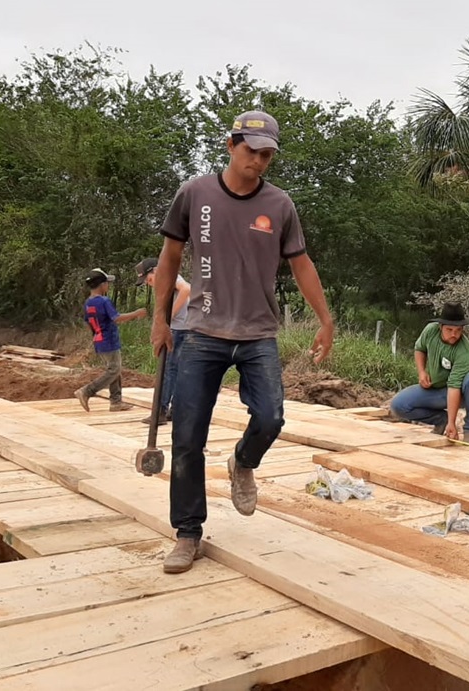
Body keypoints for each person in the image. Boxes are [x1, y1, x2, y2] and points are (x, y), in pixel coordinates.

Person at [151, 110, 334, 574]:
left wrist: (325, 320)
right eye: (251, 150)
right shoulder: (195, 194)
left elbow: (302, 264)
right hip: (201, 333)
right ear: (231, 146)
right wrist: (160, 319)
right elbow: (170, 257)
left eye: (267, 153)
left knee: (271, 415)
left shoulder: (280, 205)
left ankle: (243, 461)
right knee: (187, 437)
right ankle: (188, 533)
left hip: (257, 333)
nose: (258, 160)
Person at [390, 303, 469, 444]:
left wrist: (452, 423)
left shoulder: (464, 350)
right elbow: (419, 348)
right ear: (440, 327)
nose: (454, 334)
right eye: (449, 330)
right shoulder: (430, 331)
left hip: (460, 392)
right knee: (399, 405)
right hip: (436, 390)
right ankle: (440, 420)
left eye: (458, 330)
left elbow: (454, 386)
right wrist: (422, 372)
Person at [74, 268, 148, 413]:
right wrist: (136, 313)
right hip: (108, 340)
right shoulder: (104, 301)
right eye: (107, 283)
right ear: (102, 285)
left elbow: (88, 322)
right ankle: (87, 391)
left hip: (99, 340)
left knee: (115, 370)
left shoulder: (88, 303)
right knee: (114, 370)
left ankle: (116, 402)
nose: (108, 286)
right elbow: (116, 318)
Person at [135, 257, 191, 426]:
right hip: (183, 328)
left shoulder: (171, 277)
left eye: (148, 279)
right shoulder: (166, 281)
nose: (148, 283)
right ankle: (174, 410)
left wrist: (169, 317)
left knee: (169, 370)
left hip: (180, 330)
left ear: (156, 270)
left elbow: (187, 289)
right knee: (178, 371)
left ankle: (161, 410)